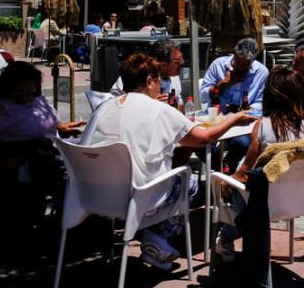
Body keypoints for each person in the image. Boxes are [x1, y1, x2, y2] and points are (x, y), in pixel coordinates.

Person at [80, 53, 255, 269]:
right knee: (188, 183)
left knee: (164, 174)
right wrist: (234, 118)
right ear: (149, 81)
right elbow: (205, 138)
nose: (161, 86)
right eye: (158, 80)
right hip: (134, 197)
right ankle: (154, 236)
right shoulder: (158, 109)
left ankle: (153, 238)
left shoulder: (102, 109)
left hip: (90, 195)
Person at [214, 66, 304, 261]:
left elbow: (245, 171)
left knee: (237, 183)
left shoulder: (264, 126)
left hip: (266, 204)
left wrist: (226, 181)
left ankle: (227, 236)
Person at [0, 61, 85, 219]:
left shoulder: (36, 99)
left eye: (30, 92)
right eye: (18, 95)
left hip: (50, 153)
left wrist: (60, 127)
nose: (25, 98)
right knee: (69, 185)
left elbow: (39, 121)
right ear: (7, 90)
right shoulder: (0, 109)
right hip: (27, 165)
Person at [200, 37, 270, 167]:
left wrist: (245, 110)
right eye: (238, 62)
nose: (241, 67)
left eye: (246, 64)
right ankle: (221, 168)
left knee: (242, 143)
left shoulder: (261, 72)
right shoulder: (219, 65)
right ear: (234, 54)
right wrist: (222, 86)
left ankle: (228, 166)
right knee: (198, 142)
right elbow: (203, 96)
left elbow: (261, 103)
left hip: (243, 123)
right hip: (217, 119)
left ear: (253, 60)